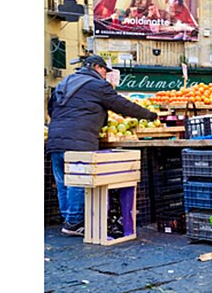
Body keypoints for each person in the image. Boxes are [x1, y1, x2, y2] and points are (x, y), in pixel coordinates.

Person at [46, 55, 159, 236]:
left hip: (55, 140)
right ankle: (74, 223)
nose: (106, 74)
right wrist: (149, 115)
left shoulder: (65, 82)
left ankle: (68, 220)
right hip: (78, 140)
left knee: (63, 182)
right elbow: (122, 105)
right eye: (106, 70)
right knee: (77, 181)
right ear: (97, 67)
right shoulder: (97, 85)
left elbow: (51, 108)